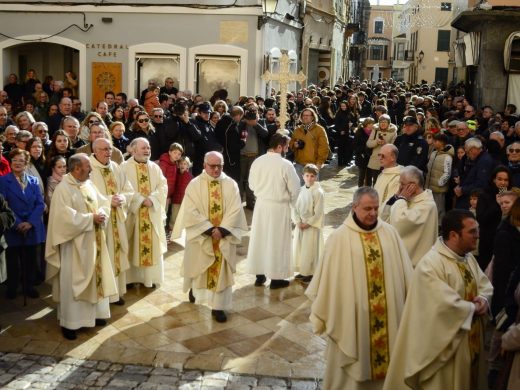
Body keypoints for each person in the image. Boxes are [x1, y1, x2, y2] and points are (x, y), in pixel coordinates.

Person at [306, 187, 413, 390]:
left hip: (389, 321)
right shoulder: (339, 238)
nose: (373, 213)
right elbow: (328, 283)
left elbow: (406, 275)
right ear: (354, 207)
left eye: (375, 208)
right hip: (353, 321)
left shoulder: (390, 233)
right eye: (367, 209)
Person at [383, 209, 493, 390]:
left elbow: (484, 284)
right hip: (445, 352)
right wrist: (472, 309)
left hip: (469, 345)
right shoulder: (430, 265)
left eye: (477, 230)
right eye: (472, 231)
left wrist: (483, 299)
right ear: (453, 235)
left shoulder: (467, 259)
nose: (478, 236)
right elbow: (441, 305)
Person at [45, 153, 117, 340]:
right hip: (74, 246)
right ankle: (71, 323)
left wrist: (101, 214)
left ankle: (94, 316)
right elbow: (63, 218)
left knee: (96, 277)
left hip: (95, 240)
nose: (92, 169)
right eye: (87, 166)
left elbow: (103, 202)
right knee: (73, 282)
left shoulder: (88, 183)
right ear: (76, 168)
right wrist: (90, 219)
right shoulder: (63, 189)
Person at [174, 151, 247, 323]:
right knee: (199, 266)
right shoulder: (194, 184)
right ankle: (195, 289)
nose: (216, 170)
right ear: (204, 165)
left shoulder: (231, 184)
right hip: (202, 236)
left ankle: (218, 307)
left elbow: (235, 209)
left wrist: (222, 230)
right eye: (212, 166)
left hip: (223, 236)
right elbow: (190, 211)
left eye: (219, 166)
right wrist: (208, 229)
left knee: (221, 271)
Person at [247, 133, 301, 289]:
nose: (286, 150)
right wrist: (293, 206)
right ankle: (276, 279)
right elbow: (295, 189)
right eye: (285, 147)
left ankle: (260, 275)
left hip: (261, 205)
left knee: (261, 239)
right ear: (279, 146)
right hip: (279, 206)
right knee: (277, 241)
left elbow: (251, 185)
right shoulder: (285, 164)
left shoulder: (258, 161)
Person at [90, 138, 134, 305]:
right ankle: (104, 295)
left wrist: (122, 197)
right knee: (104, 256)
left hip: (118, 219)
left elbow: (128, 189)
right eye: (104, 149)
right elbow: (89, 195)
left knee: (117, 253)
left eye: (109, 149)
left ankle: (116, 293)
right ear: (95, 150)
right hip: (102, 221)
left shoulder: (115, 167)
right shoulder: (90, 169)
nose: (108, 152)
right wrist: (109, 201)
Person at [121, 138, 168, 288]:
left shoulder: (155, 167)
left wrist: (153, 199)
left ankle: (150, 279)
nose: (147, 150)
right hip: (133, 215)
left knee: (152, 246)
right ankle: (130, 279)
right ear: (134, 150)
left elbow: (163, 186)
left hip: (151, 214)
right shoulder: (124, 167)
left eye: (148, 147)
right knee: (131, 244)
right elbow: (122, 189)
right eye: (143, 148)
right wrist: (140, 199)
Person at [0, 149, 46, 299]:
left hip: (32, 227)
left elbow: (40, 204)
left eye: (21, 160)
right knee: (13, 260)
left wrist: (30, 222)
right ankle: (12, 287)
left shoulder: (34, 181)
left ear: (26, 164)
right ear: (11, 162)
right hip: (14, 227)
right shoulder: (3, 181)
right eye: (15, 160)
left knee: (30, 259)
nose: (17, 163)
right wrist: (18, 223)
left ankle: (29, 286)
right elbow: (3, 205)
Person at [385, 165, 438, 266]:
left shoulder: (427, 205)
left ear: (413, 185)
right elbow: (384, 216)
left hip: (415, 264)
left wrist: (401, 199)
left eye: (402, 183)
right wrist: (396, 197)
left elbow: (400, 222)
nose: (400, 187)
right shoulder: (406, 198)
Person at [292, 164, 324, 283]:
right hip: (301, 224)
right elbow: (294, 207)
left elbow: (319, 212)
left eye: (312, 176)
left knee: (310, 250)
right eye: (307, 176)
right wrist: (298, 221)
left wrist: (309, 223)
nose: (309, 178)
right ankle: (303, 270)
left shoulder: (318, 192)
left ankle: (310, 272)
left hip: (311, 226)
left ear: (316, 177)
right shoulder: (300, 190)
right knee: (300, 248)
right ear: (302, 176)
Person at [289, 108, 330, 179]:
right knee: (299, 188)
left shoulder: (319, 130)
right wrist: (294, 144)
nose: (305, 117)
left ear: (313, 117)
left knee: (312, 188)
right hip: (299, 164)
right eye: (303, 115)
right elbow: (291, 143)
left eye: (307, 115)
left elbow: (324, 147)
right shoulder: (297, 130)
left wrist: (319, 163)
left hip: (313, 165)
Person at [425, 133, 454, 225]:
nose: (433, 142)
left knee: (439, 208)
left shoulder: (447, 157)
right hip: (429, 186)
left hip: (438, 188)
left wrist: (439, 183)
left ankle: (439, 225)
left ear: (442, 143)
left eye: (436, 141)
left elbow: (447, 173)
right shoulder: (433, 153)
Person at [366, 114, 398, 186]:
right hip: (375, 160)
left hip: (387, 161)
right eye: (381, 122)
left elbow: (394, 147)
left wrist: (385, 144)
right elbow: (368, 143)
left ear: (388, 123)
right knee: (375, 182)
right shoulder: (375, 130)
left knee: (385, 183)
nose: (383, 124)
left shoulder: (393, 131)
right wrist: (376, 142)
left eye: (385, 122)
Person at [374, 144, 402, 221]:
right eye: (379, 155)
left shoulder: (398, 178)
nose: (380, 158)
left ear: (393, 157)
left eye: (383, 156)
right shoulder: (382, 173)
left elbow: (392, 205)